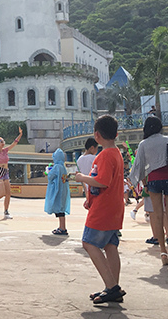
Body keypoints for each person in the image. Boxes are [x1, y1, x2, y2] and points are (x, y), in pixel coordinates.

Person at [74, 115, 125, 305]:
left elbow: (102, 181)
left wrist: (82, 178)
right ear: (116, 134)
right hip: (114, 207)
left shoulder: (104, 155)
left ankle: (112, 287)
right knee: (110, 245)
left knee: (89, 243)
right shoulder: (116, 153)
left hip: (104, 208)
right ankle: (113, 286)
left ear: (97, 135)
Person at [128, 116, 168, 267]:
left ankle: (163, 253)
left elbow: (139, 166)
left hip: (154, 181)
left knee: (157, 216)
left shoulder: (144, 144)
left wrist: (134, 181)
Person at [0, 125, 22, 219]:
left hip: (6, 171)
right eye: (1, 141)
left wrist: (20, 134)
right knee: (2, 193)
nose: (3, 143)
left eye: (3, 141)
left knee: (8, 193)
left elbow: (14, 143)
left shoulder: (5, 151)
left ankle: (6, 212)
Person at [45, 148, 71, 235]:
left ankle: (62, 228)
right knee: (61, 210)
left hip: (57, 192)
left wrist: (48, 171)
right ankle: (61, 227)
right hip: (63, 192)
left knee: (60, 211)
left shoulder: (56, 167)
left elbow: (51, 176)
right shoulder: (63, 167)